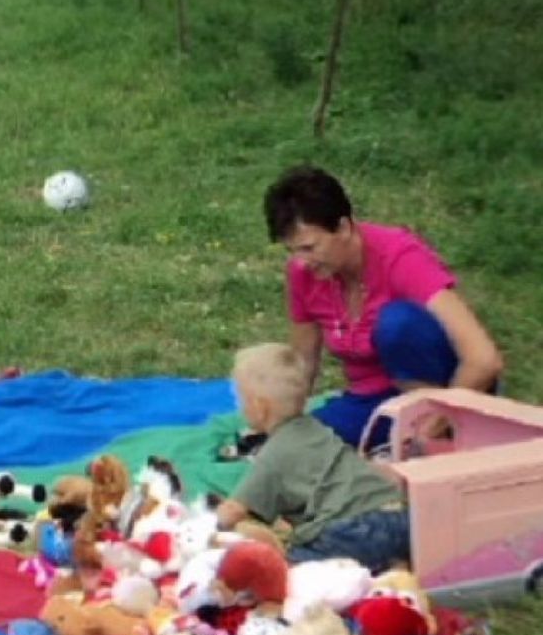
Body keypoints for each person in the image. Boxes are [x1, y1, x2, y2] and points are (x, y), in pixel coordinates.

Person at [264, 165, 503, 449]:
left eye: (308, 248)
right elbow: (303, 362)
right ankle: (405, 435)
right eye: (291, 250)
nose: (301, 262)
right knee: (302, 442)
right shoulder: (304, 273)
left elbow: (484, 359)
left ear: (343, 227)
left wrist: (432, 425)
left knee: (396, 323)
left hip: (450, 389)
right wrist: (283, 424)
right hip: (377, 399)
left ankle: (450, 430)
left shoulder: (401, 258)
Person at [216, 343, 410, 573]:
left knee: (285, 568)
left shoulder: (274, 453)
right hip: (399, 516)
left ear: (259, 407)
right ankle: (391, 566)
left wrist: (211, 522)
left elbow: (235, 511)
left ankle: (370, 567)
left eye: (240, 400)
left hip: (350, 530)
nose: (239, 407)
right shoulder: (320, 430)